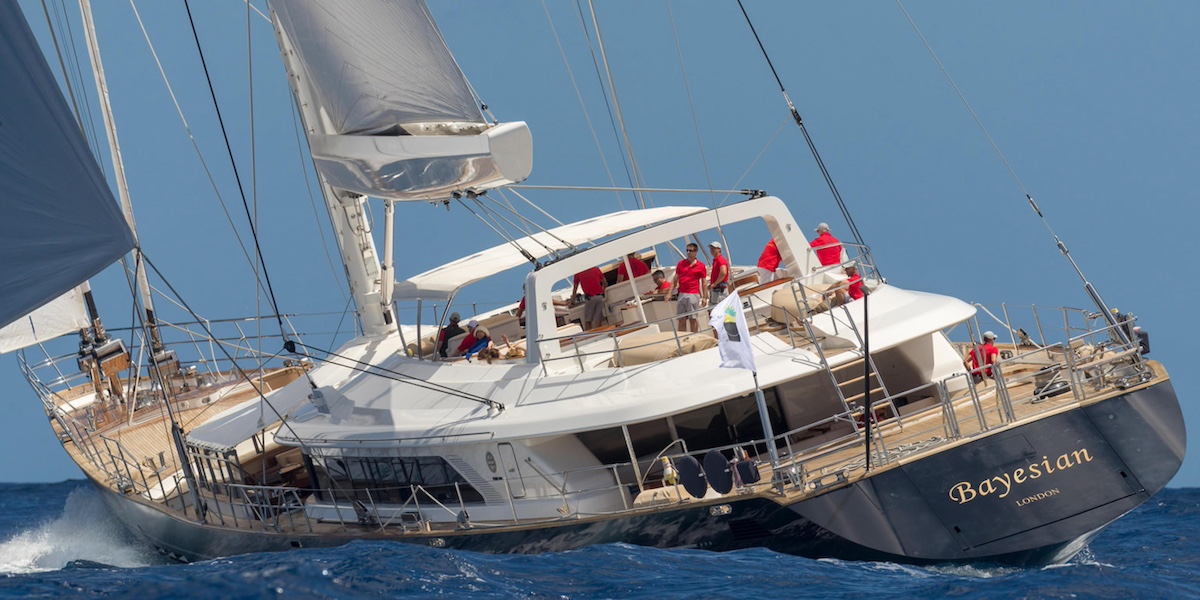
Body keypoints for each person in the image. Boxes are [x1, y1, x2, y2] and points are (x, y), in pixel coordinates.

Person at [672, 243, 707, 333]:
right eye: (687, 250)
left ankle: (694, 336)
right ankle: (682, 338)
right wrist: (669, 292)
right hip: (682, 294)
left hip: (693, 294)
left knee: (693, 319)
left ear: (695, 252)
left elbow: (704, 282)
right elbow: (675, 278)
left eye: (690, 251)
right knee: (681, 319)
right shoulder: (681, 263)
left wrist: (704, 297)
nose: (688, 252)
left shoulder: (701, 266)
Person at [708, 241, 730, 306]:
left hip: (719, 290)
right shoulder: (716, 260)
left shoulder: (720, 260)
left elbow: (723, 272)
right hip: (717, 289)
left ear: (719, 249)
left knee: (718, 309)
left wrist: (715, 284)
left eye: (713, 248)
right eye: (711, 248)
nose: (711, 250)